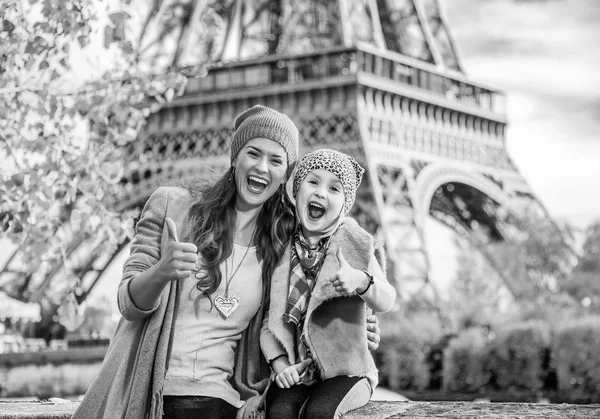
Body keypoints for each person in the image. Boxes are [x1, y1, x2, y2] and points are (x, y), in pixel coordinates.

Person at [72, 106, 380, 419]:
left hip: (220, 400)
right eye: (253, 153)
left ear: (287, 174)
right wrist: (161, 272)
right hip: (151, 393)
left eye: (276, 160)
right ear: (235, 157)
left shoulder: (283, 243)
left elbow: (300, 308)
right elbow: (128, 303)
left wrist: (351, 325)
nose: (262, 167)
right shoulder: (172, 206)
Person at [260, 149, 397, 419]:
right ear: (295, 192)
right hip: (300, 371)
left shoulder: (354, 243)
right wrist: (281, 364)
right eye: (313, 182)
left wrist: (361, 281)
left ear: (345, 204)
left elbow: (387, 299)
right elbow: (270, 321)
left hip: (349, 371)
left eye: (334, 188)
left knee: (320, 413)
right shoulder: (283, 252)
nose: (321, 193)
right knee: (278, 411)